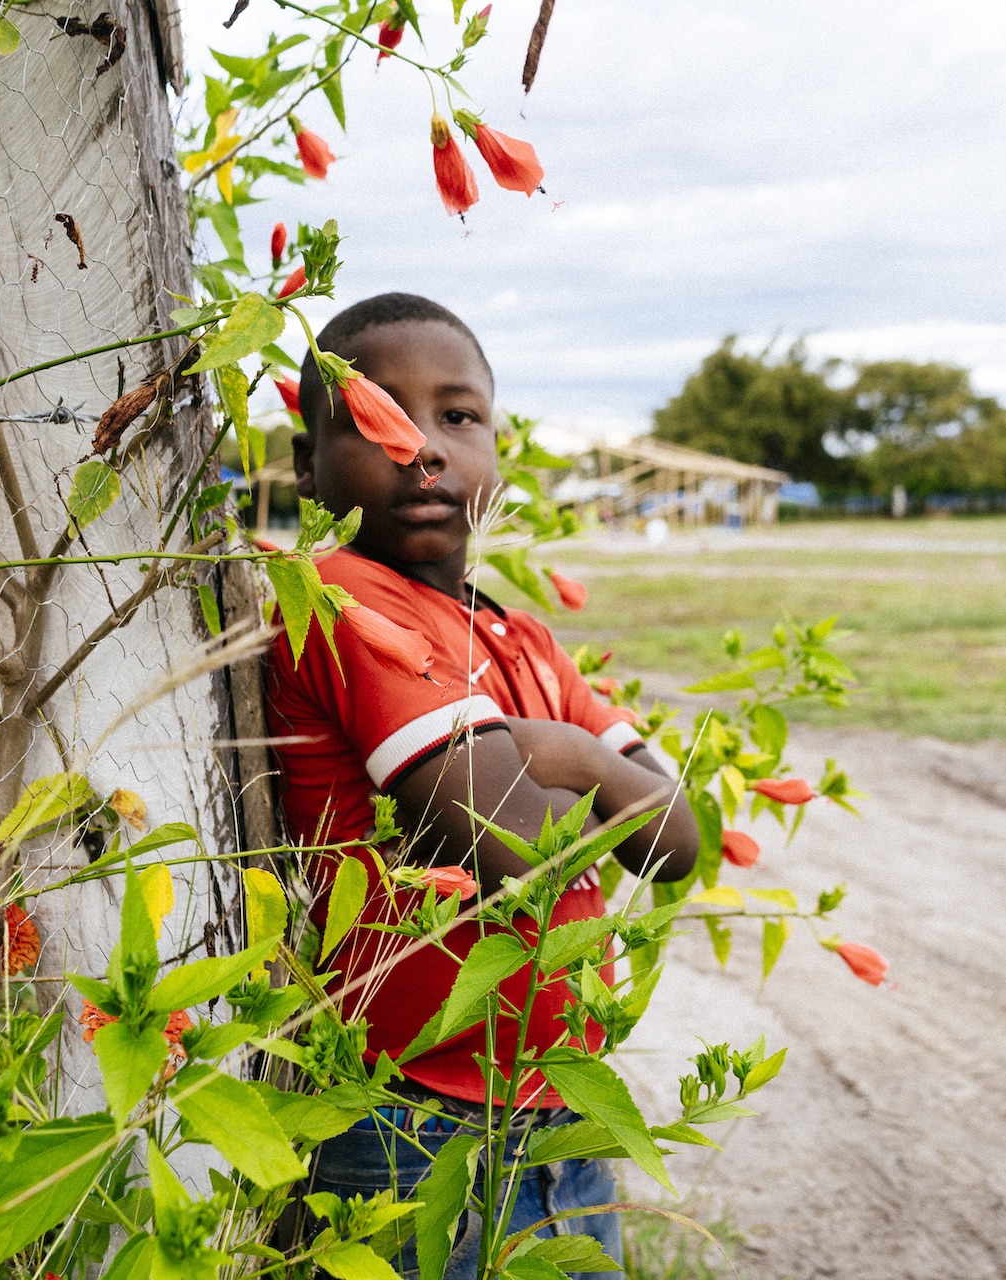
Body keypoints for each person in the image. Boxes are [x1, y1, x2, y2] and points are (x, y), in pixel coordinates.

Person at [265, 293, 701, 1279]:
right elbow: (528, 849)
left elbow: (678, 840)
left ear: (496, 451)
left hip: (556, 1107)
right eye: (376, 416)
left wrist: (570, 758)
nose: (420, 447)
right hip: (408, 1119)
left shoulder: (522, 635)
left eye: (457, 417)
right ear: (306, 467)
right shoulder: (345, 597)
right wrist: (591, 771)